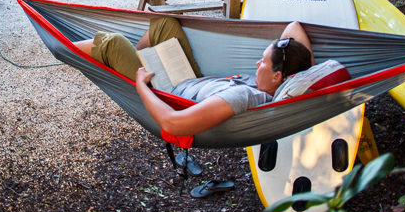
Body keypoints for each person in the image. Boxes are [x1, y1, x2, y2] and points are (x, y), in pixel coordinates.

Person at [74, 17, 312, 137]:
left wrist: (141, 85)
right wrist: (304, 73)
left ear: (277, 76)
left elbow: (172, 124)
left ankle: (65, 49)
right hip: (191, 79)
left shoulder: (243, 96)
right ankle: (136, 61)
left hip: (166, 94)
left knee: (112, 43)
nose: (257, 63)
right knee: (164, 23)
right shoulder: (281, 81)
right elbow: (294, 27)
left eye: (263, 62)